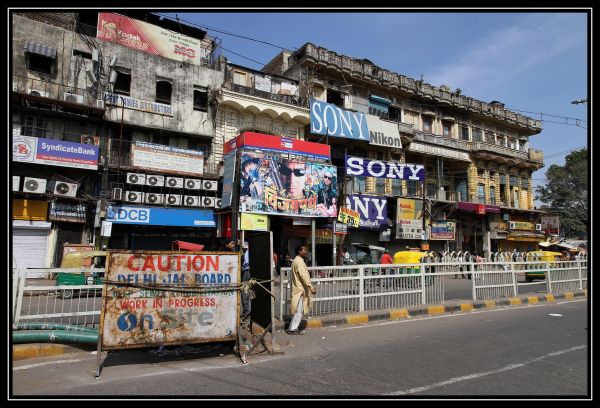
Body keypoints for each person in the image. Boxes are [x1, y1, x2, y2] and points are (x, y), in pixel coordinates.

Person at [287, 244, 316, 335]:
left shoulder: (297, 261)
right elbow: (303, 275)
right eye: (304, 250)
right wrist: (310, 286)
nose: (306, 252)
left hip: (299, 289)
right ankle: (292, 329)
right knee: (298, 311)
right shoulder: (299, 262)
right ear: (299, 251)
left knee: (298, 310)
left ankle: (293, 328)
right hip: (300, 290)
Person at [241, 241, 251, 317]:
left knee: (245, 291)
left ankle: (246, 311)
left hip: (246, 272)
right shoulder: (247, 252)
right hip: (248, 272)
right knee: (247, 291)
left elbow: (246, 263)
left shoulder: (246, 253)